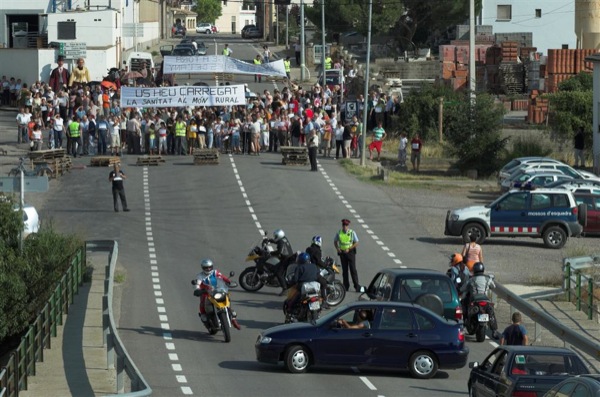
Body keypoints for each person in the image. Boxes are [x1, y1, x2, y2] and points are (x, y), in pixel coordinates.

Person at [194, 259, 241, 330]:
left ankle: (233, 318)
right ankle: (204, 315)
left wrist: (228, 282)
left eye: (209, 267)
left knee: (226, 297)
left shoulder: (215, 272)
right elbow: (198, 283)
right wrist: (197, 289)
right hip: (207, 292)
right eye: (206, 267)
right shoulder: (200, 276)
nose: (208, 269)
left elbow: (222, 277)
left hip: (217, 290)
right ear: (202, 268)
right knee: (203, 300)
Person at [460, 262, 499, 338]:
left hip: (474, 301)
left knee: (463, 304)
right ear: (483, 270)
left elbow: (462, 288)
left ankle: (463, 325)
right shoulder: (487, 279)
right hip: (485, 300)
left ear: (474, 270)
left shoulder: (471, 280)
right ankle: (494, 331)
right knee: (491, 314)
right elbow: (493, 286)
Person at [334, 219, 360, 292]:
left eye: (346, 225)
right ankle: (346, 286)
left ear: (348, 226)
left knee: (353, 269)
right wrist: (337, 248)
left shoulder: (352, 233)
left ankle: (356, 286)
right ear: (342, 225)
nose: (345, 226)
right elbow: (335, 241)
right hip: (342, 253)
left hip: (350, 253)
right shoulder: (339, 232)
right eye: (344, 225)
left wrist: (349, 248)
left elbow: (357, 242)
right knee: (345, 270)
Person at [305, 235, 330, 309]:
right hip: (314, 270)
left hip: (307, 269)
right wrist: (326, 265)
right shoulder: (317, 251)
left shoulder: (308, 249)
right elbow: (319, 261)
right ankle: (324, 302)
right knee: (324, 283)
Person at [269, 229, 294, 296]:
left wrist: (271, 253)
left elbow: (279, 251)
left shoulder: (281, 242)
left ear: (279, 235)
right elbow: (278, 242)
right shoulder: (284, 239)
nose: (275, 237)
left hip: (286, 259)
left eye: (276, 236)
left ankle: (285, 289)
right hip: (289, 257)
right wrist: (270, 240)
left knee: (279, 273)